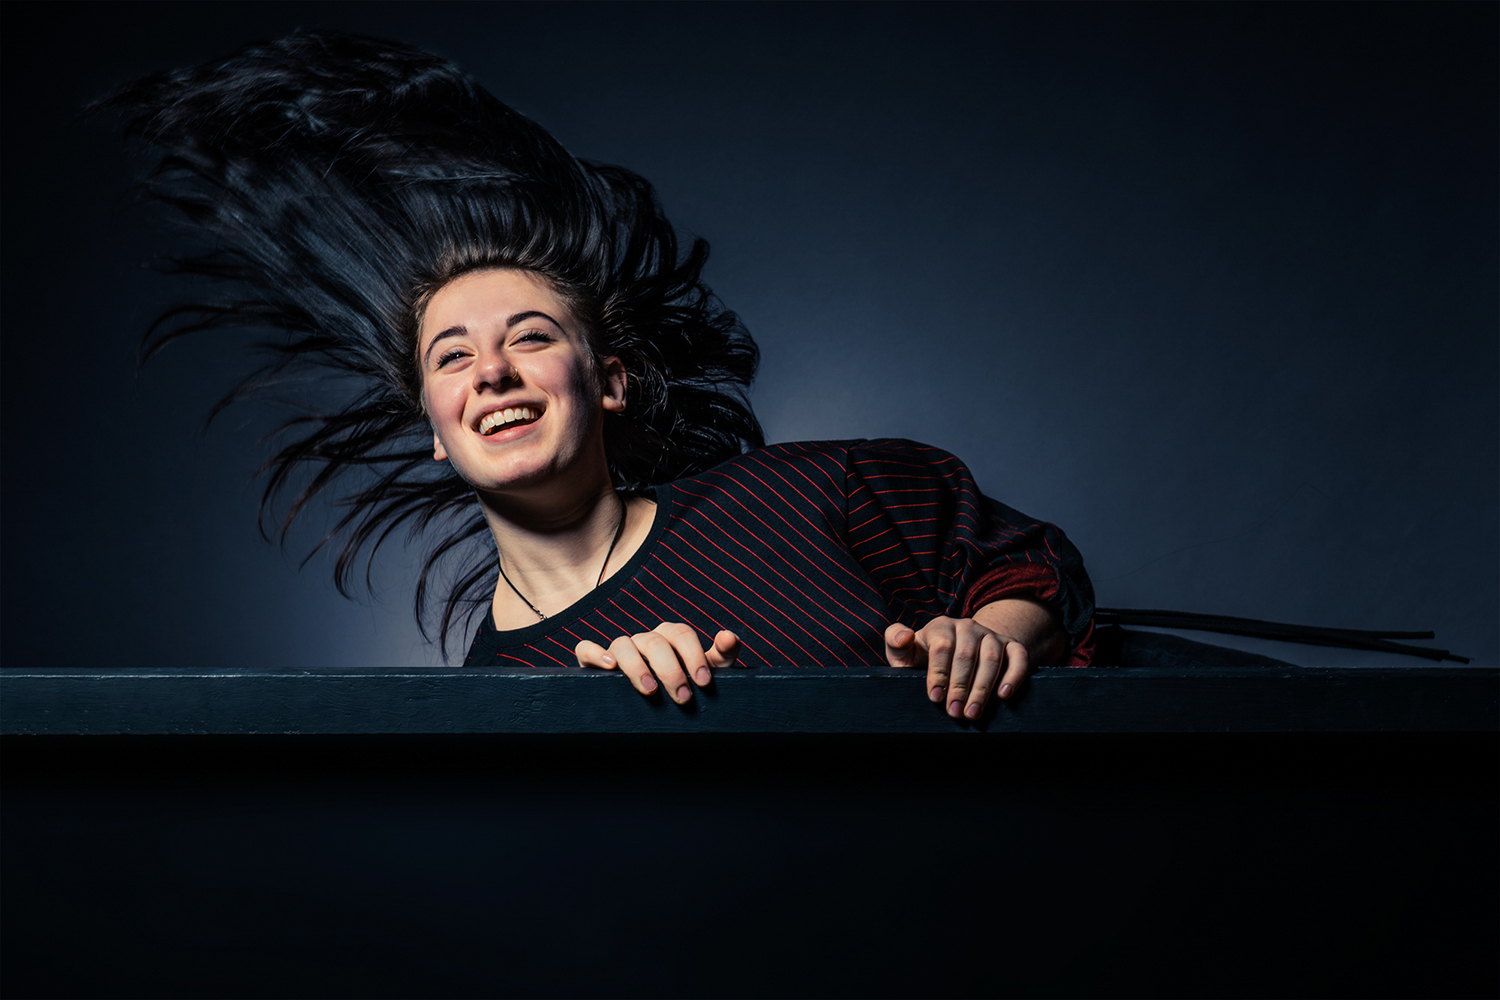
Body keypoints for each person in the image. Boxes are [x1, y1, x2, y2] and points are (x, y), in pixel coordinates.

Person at [97, 29, 1097, 719]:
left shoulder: (814, 492)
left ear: (608, 381)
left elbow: (1031, 568)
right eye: (452, 356)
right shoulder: (501, 684)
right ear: (436, 427)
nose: (491, 370)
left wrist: (992, 640)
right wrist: (649, 724)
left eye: (529, 336)